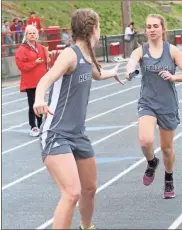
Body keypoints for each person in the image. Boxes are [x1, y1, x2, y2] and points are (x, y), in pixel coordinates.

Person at [33, 8, 122, 230]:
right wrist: (38, 99)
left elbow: (96, 74)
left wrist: (114, 72)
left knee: (90, 188)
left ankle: (86, 227)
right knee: (72, 192)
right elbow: (46, 79)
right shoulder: (70, 55)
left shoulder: (87, 54)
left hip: (78, 134)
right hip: (56, 133)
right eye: (99, 25)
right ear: (94, 28)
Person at [125, 14, 182, 199]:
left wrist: (174, 77)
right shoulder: (141, 50)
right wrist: (130, 70)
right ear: (145, 30)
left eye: (156, 26)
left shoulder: (172, 50)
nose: (152, 29)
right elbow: (132, 61)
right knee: (145, 140)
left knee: (167, 148)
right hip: (148, 102)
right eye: (149, 26)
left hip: (167, 104)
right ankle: (151, 162)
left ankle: (169, 177)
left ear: (163, 29)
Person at [15, 25, 49, 137]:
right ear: (26, 35)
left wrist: (49, 59)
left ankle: (41, 125)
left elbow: (46, 63)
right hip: (30, 82)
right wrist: (35, 62)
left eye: (34, 33)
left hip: (41, 82)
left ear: (37, 34)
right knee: (33, 105)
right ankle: (33, 126)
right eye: (30, 33)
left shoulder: (41, 47)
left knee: (41, 104)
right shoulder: (22, 49)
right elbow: (21, 66)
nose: (32, 35)